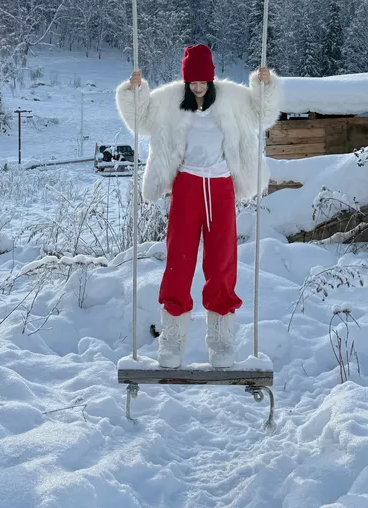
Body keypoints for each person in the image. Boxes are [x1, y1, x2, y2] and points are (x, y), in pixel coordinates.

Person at [116, 44, 281, 369]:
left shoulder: (231, 98)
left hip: (221, 188)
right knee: (179, 260)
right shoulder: (171, 99)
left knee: (222, 262)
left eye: (202, 80)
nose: (198, 86)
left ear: (211, 77)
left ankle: (221, 342)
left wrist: (265, 85)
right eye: (192, 81)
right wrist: (134, 93)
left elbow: (262, 114)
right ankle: (172, 341)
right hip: (187, 186)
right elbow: (142, 120)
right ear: (186, 81)